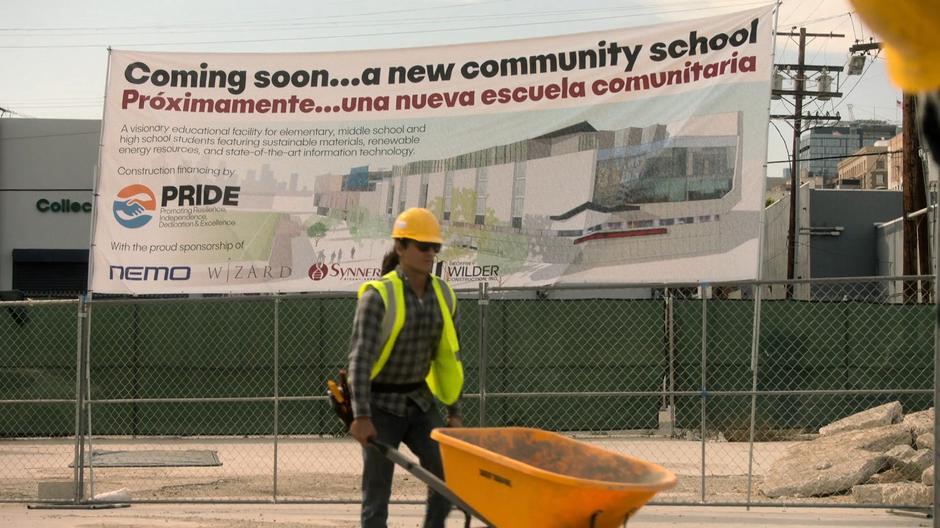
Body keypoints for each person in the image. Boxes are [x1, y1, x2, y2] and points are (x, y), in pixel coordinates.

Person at [347, 207, 464, 528]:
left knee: (443, 473)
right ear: (400, 247)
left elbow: (448, 358)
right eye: (422, 246)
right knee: (377, 490)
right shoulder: (378, 296)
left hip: (419, 401)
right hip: (380, 406)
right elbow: (359, 359)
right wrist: (361, 416)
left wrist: (453, 411)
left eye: (435, 247)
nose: (431, 253)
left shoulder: (444, 294)